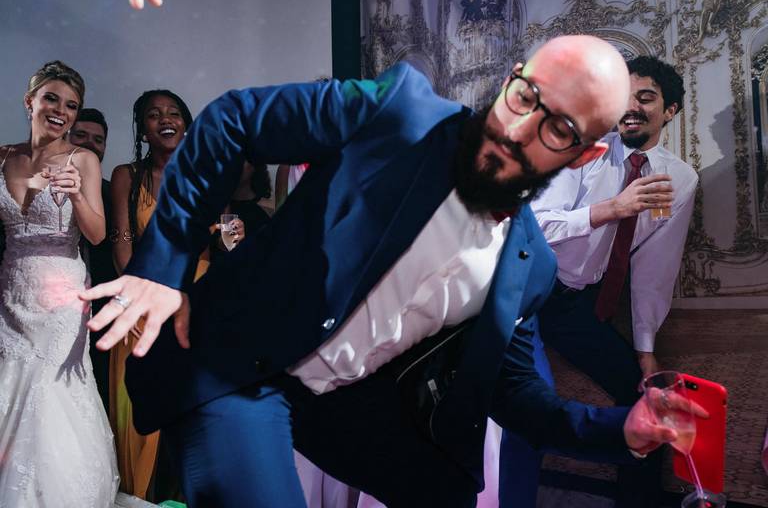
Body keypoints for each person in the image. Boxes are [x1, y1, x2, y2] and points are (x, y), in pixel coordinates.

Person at [83, 36, 698, 508]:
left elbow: (515, 395)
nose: (518, 129)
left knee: (446, 492)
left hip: (343, 406)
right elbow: (235, 119)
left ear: (586, 153)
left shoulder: (529, 267)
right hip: (239, 365)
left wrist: (621, 428)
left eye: (557, 127)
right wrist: (162, 268)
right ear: (512, 79)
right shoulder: (401, 113)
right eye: (524, 96)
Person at [500, 55, 698, 508]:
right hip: (522, 294)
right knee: (525, 403)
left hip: (574, 304)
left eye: (645, 98)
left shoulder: (679, 179)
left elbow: (655, 268)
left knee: (644, 396)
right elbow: (533, 225)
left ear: (669, 111)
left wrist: (645, 349)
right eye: (624, 97)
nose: (631, 107)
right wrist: (612, 208)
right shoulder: (583, 151)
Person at [0, 60, 118, 506]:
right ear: (29, 101)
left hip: (61, 296)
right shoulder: (3, 156)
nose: (61, 111)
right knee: (8, 380)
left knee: (51, 390)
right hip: (11, 289)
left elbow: (97, 235)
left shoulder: (82, 159)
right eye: (51, 98)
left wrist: (75, 194)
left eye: (71, 105)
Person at [108, 89, 193, 500]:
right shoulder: (127, 175)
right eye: (155, 114)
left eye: (174, 113)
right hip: (140, 301)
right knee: (139, 416)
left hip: (193, 302)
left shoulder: (206, 173)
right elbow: (121, 247)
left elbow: (220, 238)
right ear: (143, 129)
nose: (165, 119)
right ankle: (139, 498)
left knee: (190, 411)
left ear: (186, 124)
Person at [69, 107, 115, 409]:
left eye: (98, 140)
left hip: (100, 310)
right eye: (81, 135)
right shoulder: (35, 183)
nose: (90, 144)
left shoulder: (113, 194)